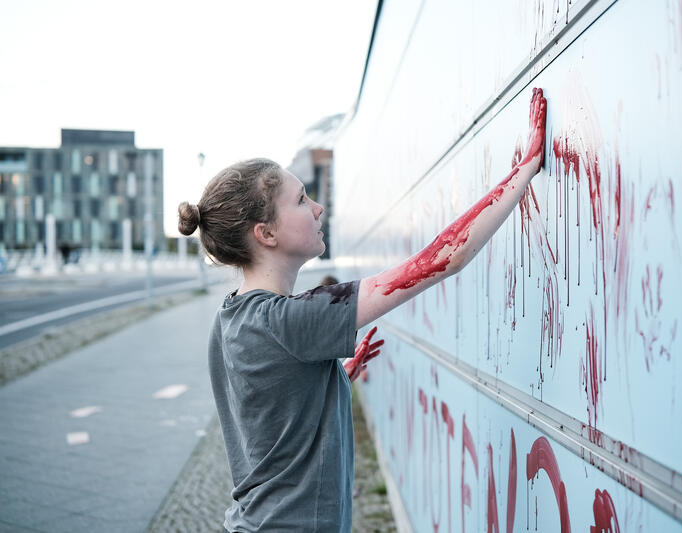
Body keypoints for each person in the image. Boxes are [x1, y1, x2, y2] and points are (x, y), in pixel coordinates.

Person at [176, 88, 546, 533]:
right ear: (266, 233)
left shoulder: (232, 318)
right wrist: (523, 172)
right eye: (300, 200)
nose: (318, 207)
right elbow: (438, 261)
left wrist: (333, 379)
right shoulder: (291, 321)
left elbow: (269, 415)